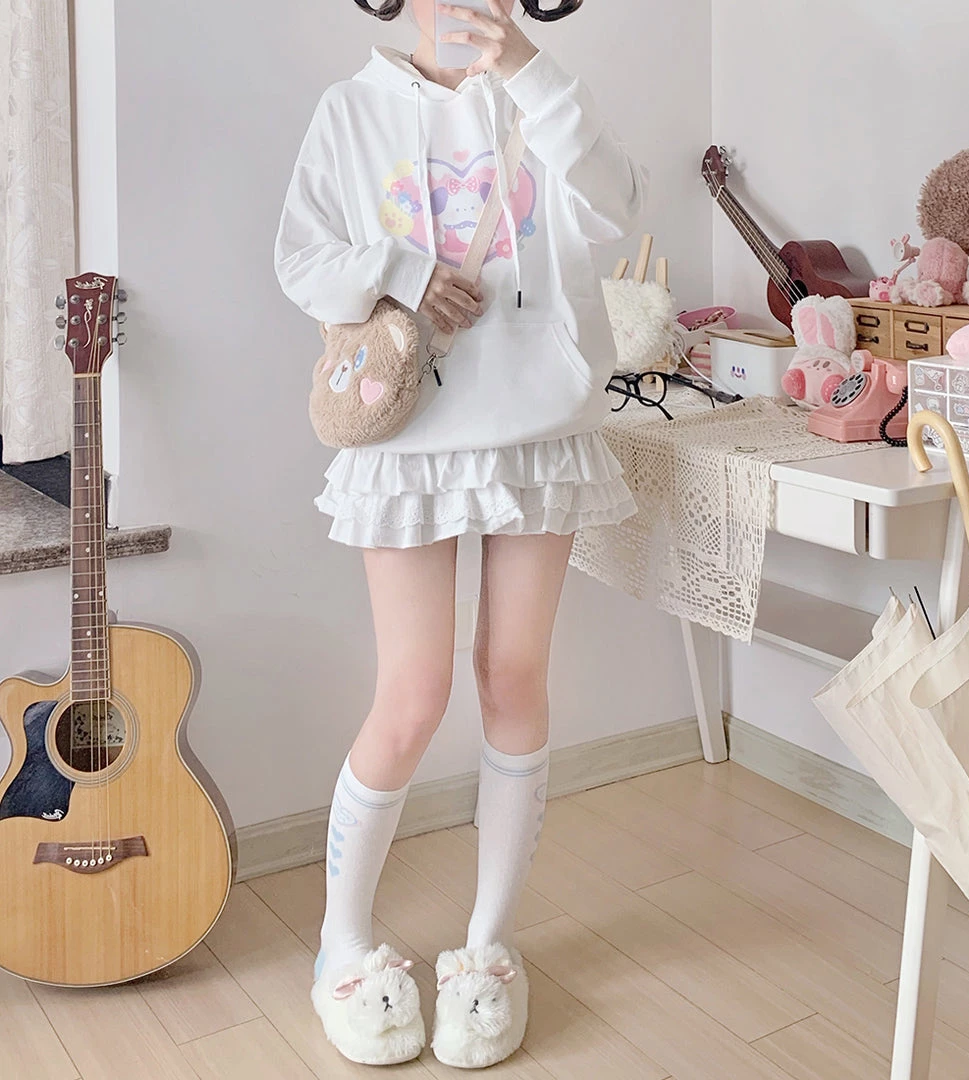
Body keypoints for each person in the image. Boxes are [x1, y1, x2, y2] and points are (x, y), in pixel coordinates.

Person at [274, 0, 646, 1067]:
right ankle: (342, 942)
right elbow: (301, 259)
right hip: (409, 435)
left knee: (514, 679)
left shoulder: (544, 96)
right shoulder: (351, 109)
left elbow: (618, 208)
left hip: (540, 433)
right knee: (412, 694)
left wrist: (530, 70)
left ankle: (489, 946)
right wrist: (400, 271)